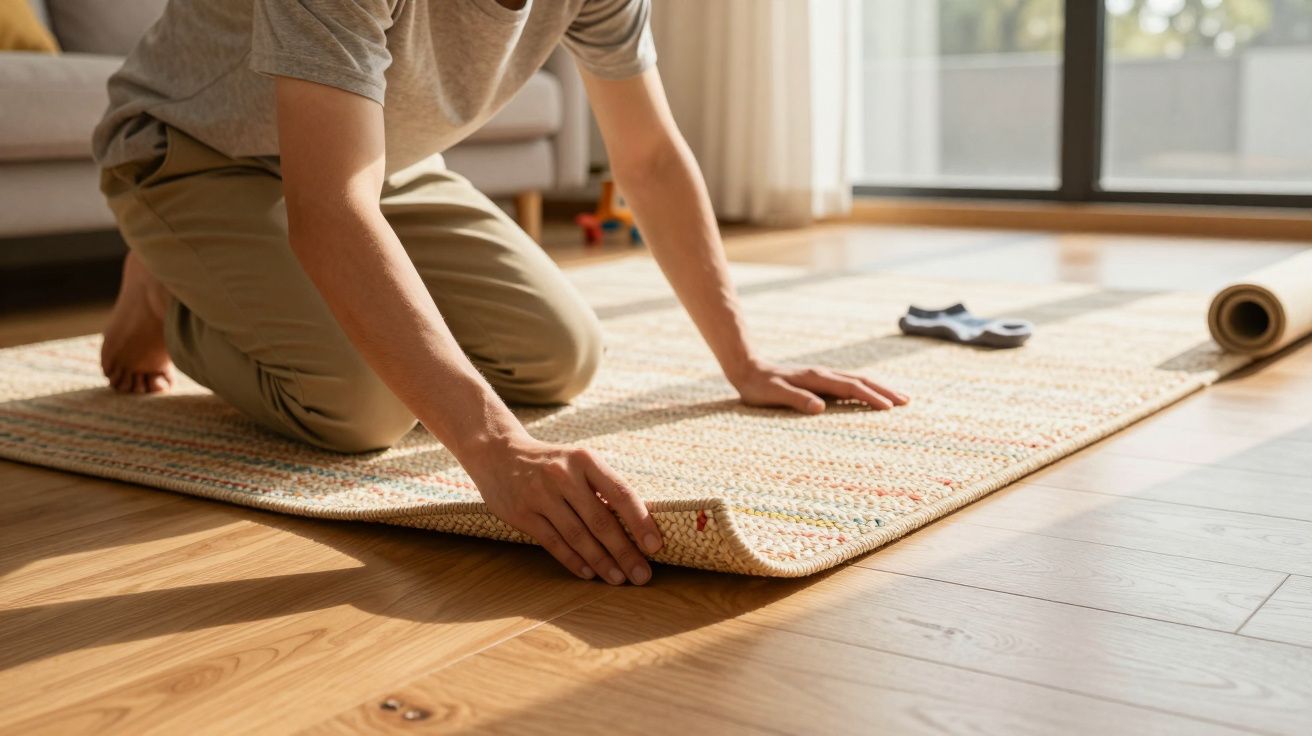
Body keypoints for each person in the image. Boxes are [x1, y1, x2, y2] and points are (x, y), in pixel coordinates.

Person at [93, 0, 909, 587]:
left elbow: (651, 157)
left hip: (381, 165)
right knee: (363, 405)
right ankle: (173, 291)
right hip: (201, 147)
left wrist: (744, 358)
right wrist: (494, 448)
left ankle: (230, 270)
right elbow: (328, 209)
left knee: (560, 355)